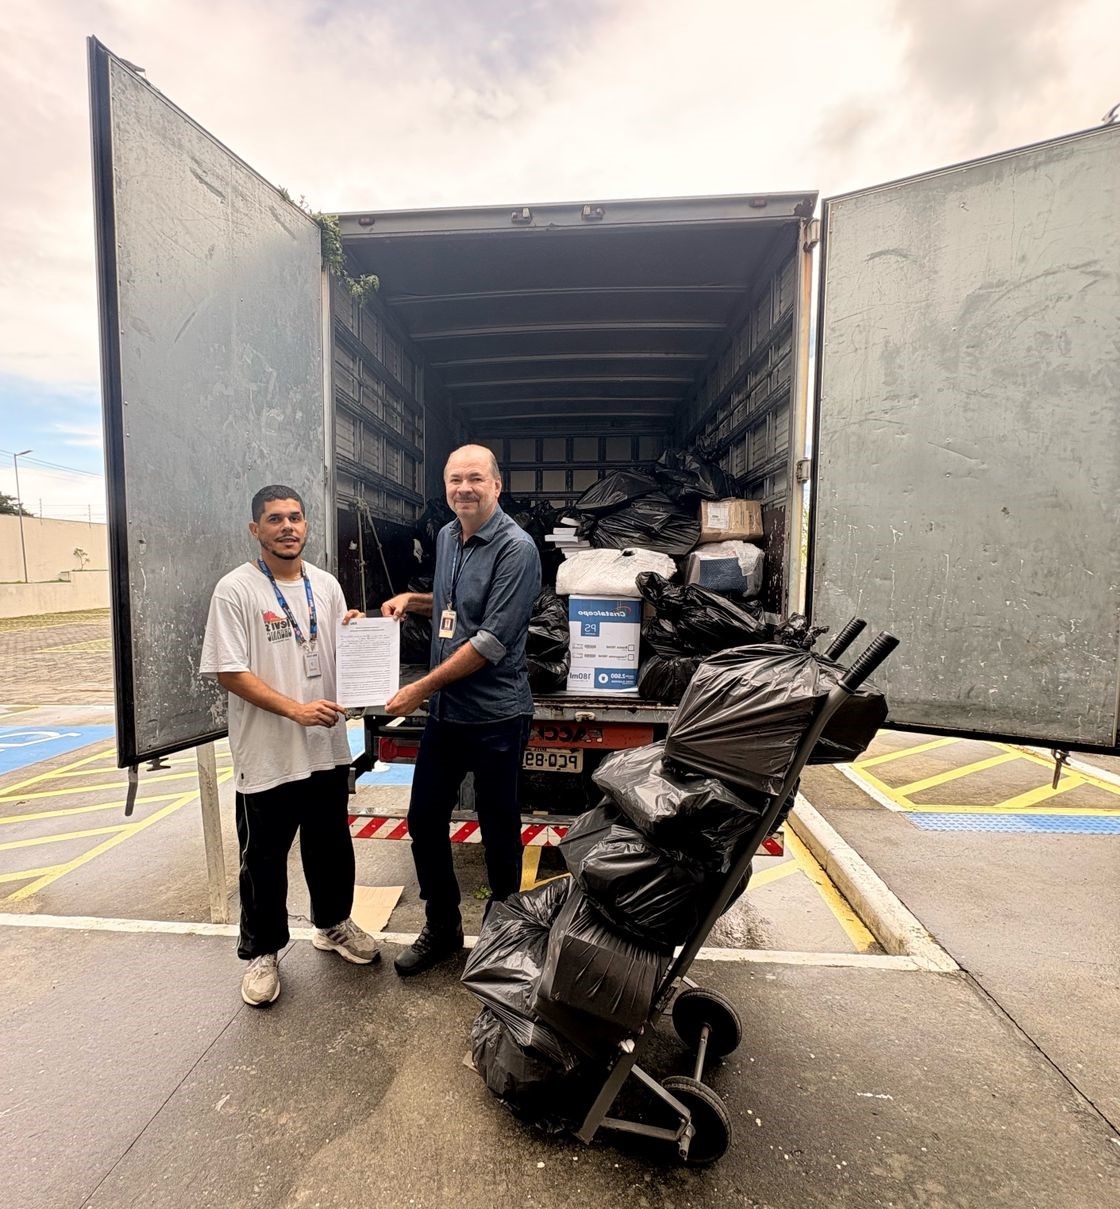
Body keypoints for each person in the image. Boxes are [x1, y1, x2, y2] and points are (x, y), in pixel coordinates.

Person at [200, 485, 379, 1007]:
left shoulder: (325, 586)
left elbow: (339, 657)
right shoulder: (235, 590)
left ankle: (333, 925)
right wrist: (296, 710)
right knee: (264, 858)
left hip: (324, 747)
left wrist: (357, 635)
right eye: (274, 519)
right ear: (255, 530)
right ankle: (262, 951)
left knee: (329, 845)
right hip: (268, 753)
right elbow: (230, 672)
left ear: (306, 525)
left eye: (295, 517)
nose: (287, 527)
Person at [381, 445, 541, 976]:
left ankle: (502, 938)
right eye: (455, 480)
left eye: (475, 479)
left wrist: (419, 689)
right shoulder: (449, 536)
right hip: (448, 717)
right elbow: (455, 610)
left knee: (499, 830)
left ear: (498, 485)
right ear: (446, 487)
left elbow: (492, 639)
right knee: (424, 821)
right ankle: (443, 929)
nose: (464, 489)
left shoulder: (517, 549)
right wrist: (413, 598)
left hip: (496, 715)